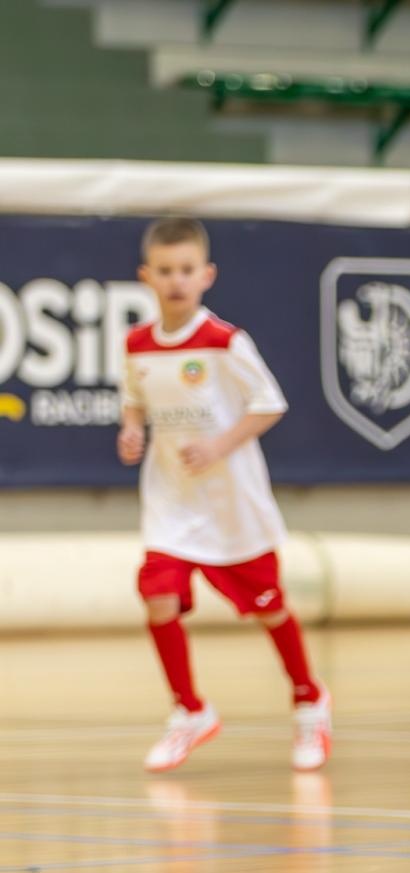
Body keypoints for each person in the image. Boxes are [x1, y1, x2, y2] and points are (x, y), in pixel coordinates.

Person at [118, 217, 331, 773]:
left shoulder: (225, 342)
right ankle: (189, 710)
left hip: (232, 504)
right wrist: (133, 427)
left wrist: (219, 444)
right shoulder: (136, 344)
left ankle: (309, 698)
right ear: (147, 276)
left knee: (268, 608)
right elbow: (134, 395)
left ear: (206, 275)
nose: (176, 281)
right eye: (165, 271)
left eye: (186, 270)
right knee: (157, 595)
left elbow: (269, 403)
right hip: (171, 501)